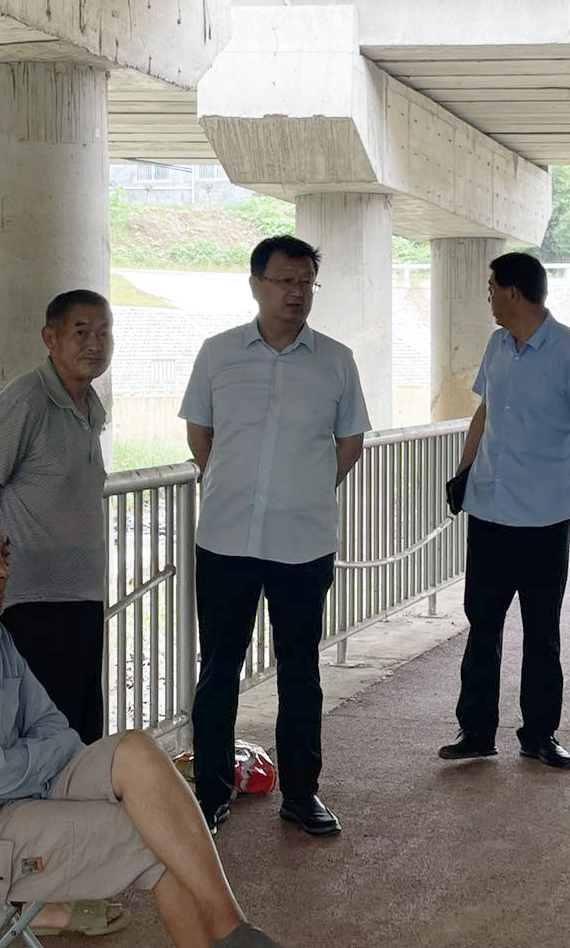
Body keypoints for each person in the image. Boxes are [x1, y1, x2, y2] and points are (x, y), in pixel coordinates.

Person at [0, 501, 288, 948]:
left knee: (136, 750)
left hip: (17, 795)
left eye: (5, 555)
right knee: (155, 837)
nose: (4, 571)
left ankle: (232, 929)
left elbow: (57, 733)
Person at [180, 235, 371, 837]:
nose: (296, 292)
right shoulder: (217, 354)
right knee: (218, 671)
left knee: (300, 672)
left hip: (303, 543)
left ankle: (302, 793)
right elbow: (200, 435)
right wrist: (233, 485)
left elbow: (350, 443)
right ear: (256, 285)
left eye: (306, 282)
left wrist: (303, 489)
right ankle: (211, 792)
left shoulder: (336, 360)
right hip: (225, 540)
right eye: (285, 280)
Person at [437, 251, 570, 770]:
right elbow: (485, 411)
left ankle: (540, 735)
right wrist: (464, 471)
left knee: (541, 630)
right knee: (482, 624)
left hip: (544, 517)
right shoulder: (497, 345)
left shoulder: (568, 350)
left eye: (492, 289)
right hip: (489, 508)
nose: (489, 298)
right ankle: (476, 731)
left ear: (513, 292)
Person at [0, 289, 112, 744]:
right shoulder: (26, 400)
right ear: (50, 337)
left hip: (81, 595)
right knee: (40, 735)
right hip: (30, 603)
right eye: (81, 332)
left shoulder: (89, 404)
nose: (94, 343)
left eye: (104, 333)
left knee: (80, 728)